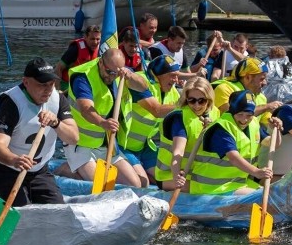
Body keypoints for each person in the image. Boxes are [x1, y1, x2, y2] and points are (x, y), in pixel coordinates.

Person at [0, 58, 79, 206]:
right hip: (5, 170)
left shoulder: (57, 99)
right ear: (26, 82)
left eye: (51, 84)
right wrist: (15, 160)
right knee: (23, 213)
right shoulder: (12, 103)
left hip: (39, 171)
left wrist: (56, 123)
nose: (48, 90)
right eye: (42, 85)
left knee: (57, 212)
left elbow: (74, 138)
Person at [62, 48, 148, 187]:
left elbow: (144, 87)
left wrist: (130, 76)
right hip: (81, 143)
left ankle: (82, 168)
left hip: (107, 142)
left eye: (116, 73)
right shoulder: (82, 77)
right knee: (97, 185)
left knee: (135, 184)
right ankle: (66, 169)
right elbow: (85, 109)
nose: (112, 77)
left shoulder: (120, 73)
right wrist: (103, 122)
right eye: (109, 72)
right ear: (101, 63)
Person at [190, 90, 279, 195]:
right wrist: (257, 172)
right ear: (232, 111)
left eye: (249, 115)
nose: (244, 120)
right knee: (266, 197)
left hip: (237, 183)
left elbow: (273, 144)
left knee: (275, 194)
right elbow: (233, 158)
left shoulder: (253, 123)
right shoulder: (221, 128)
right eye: (240, 114)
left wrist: (275, 131)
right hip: (213, 188)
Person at [118, 55, 181, 186]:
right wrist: (185, 105)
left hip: (146, 145)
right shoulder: (140, 83)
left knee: (165, 178)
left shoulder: (173, 92)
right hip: (124, 145)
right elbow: (157, 110)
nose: (176, 80)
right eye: (172, 75)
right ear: (160, 75)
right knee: (142, 183)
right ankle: (66, 170)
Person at [155, 77, 220, 191]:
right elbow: (178, 152)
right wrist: (176, 177)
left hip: (197, 173)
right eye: (192, 100)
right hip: (171, 176)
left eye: (202, 101)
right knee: (206, 189)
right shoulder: (179, 118)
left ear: (209, 99)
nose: (196, 105)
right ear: (186, 99)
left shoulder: (215, 113)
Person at [213, 57, 282, 125]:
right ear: (247, 77)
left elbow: (266, 122)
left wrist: (274, 122)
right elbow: (232, 114)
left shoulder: (261, 98)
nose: (265, 83)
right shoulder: (224, 89)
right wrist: (266, 107)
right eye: (261, 79)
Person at [54, 25, 102, 90]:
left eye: (98, 39)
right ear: (85, 37)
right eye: (92, 39)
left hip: (85, 84)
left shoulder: (100, 49)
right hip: (66, 85)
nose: (95, 42)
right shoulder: (75, 49)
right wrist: (57, 90)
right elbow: (58, 68)